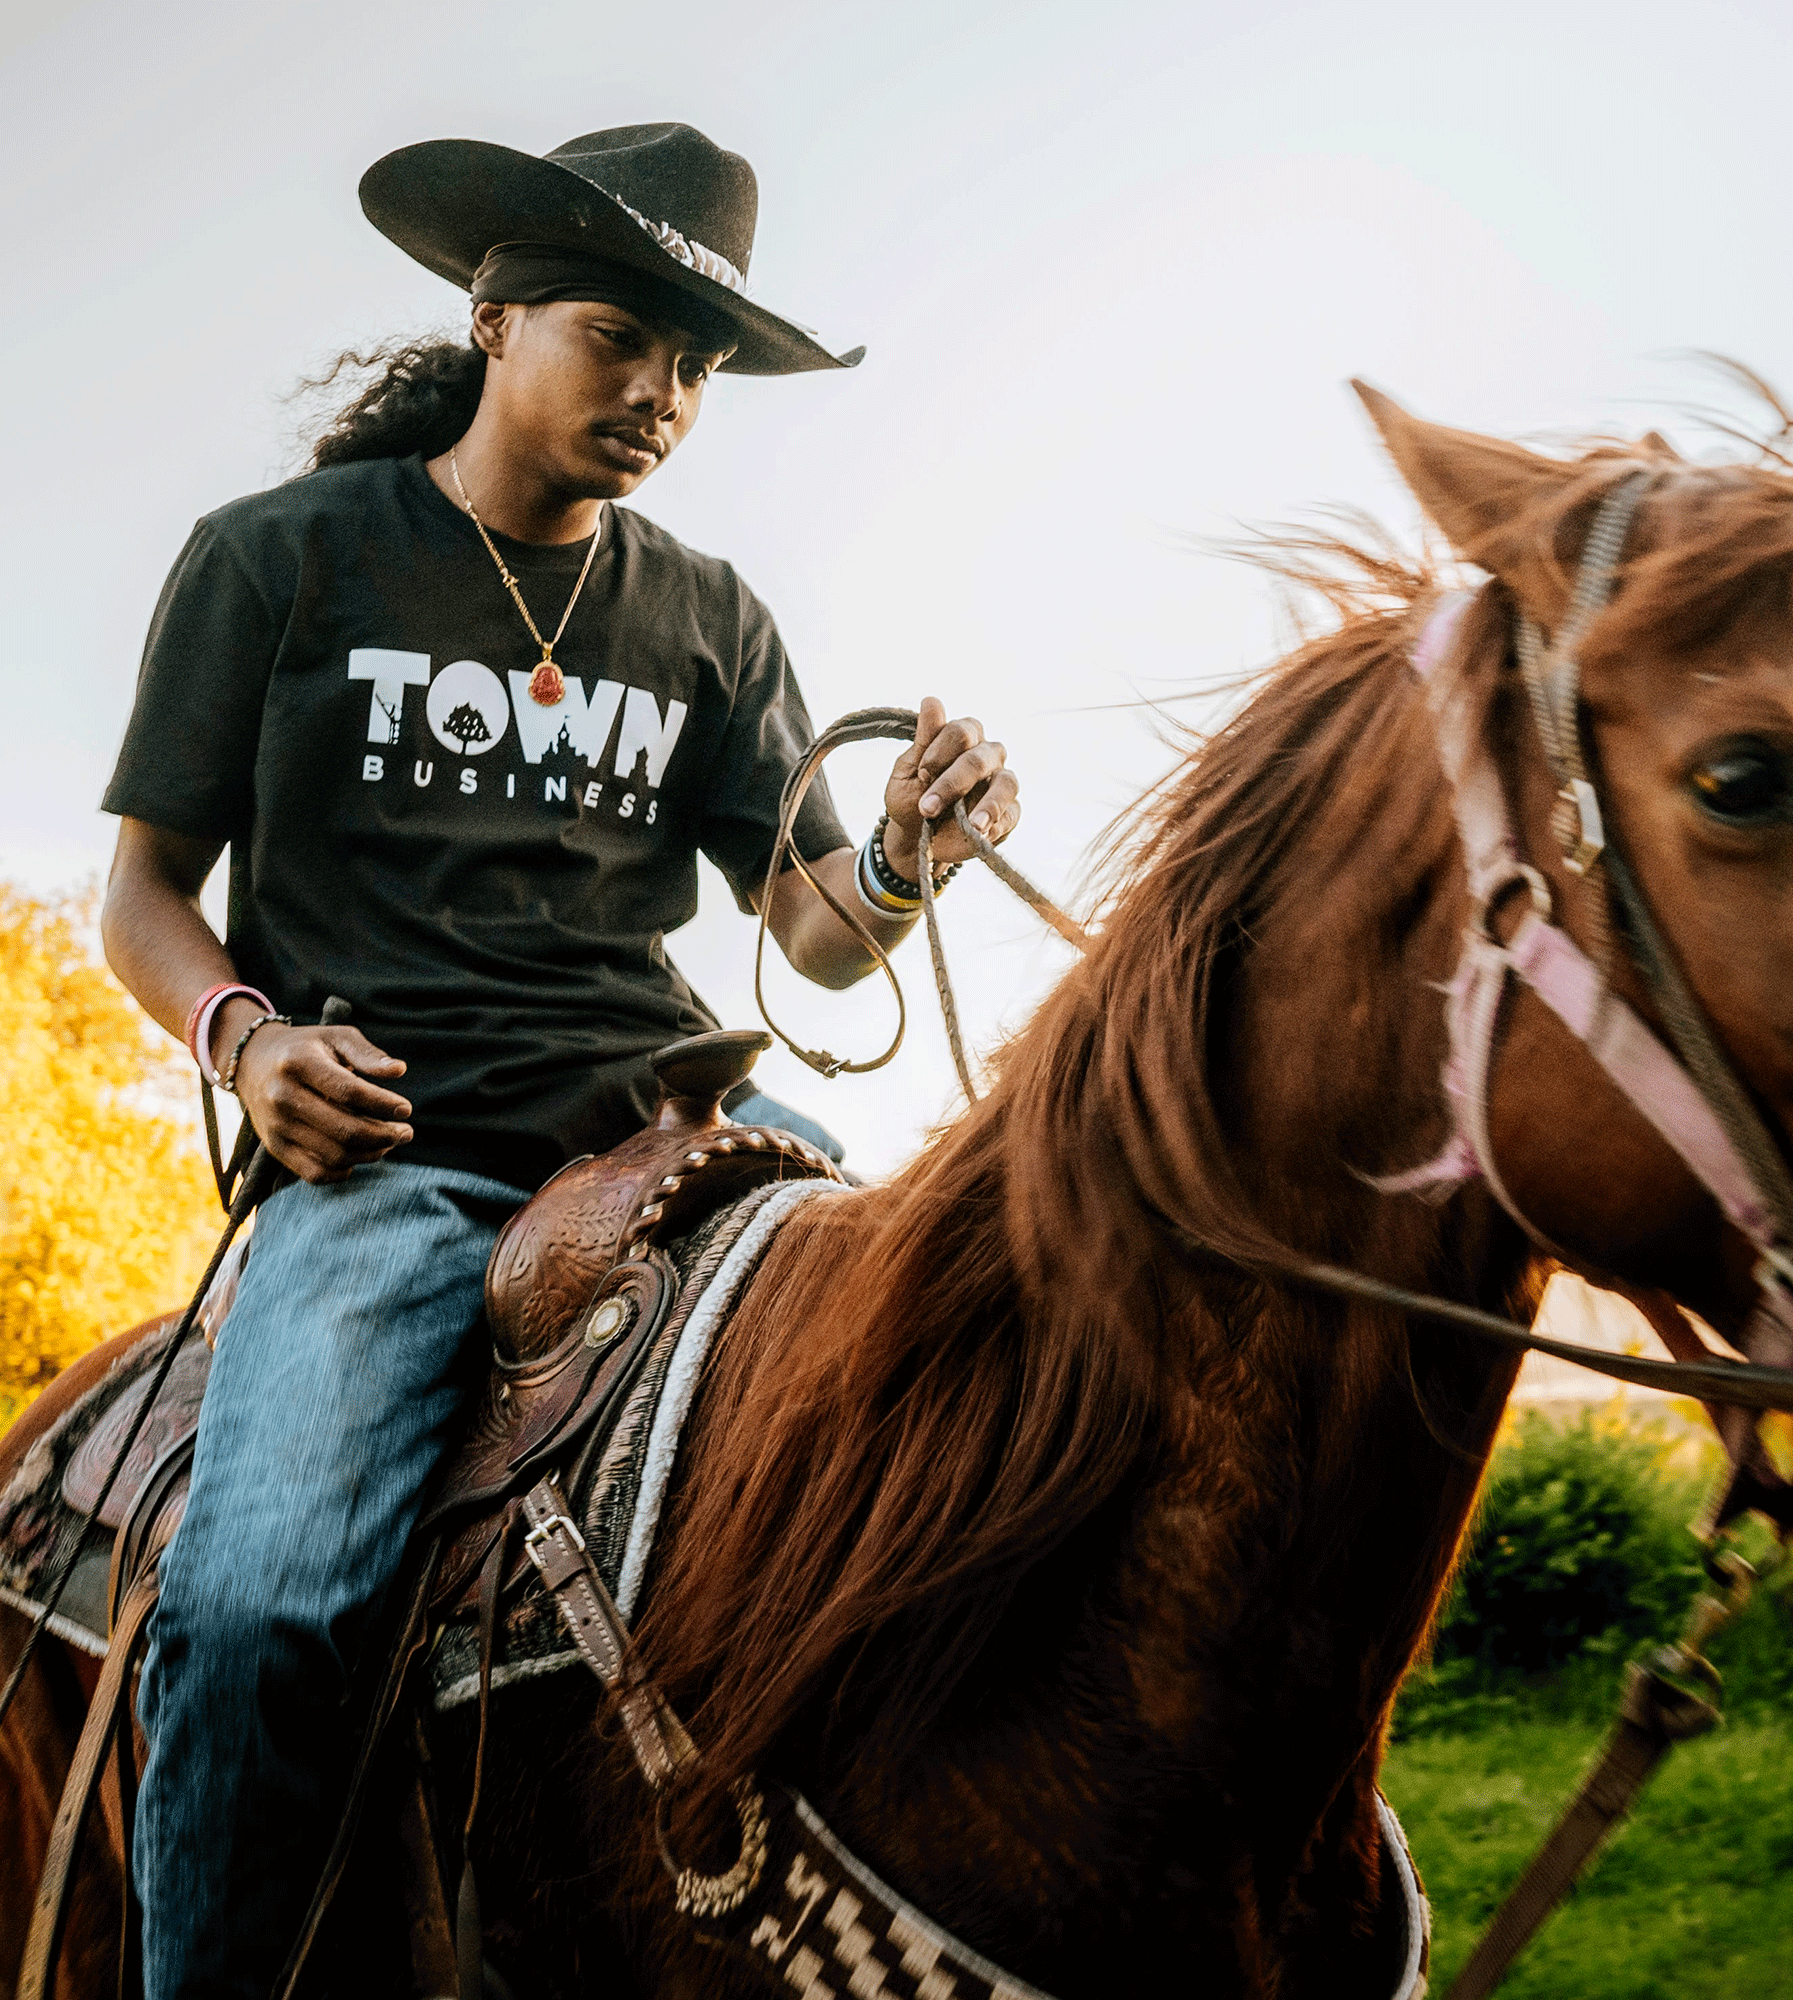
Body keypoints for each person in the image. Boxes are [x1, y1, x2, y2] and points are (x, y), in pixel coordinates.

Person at [97, 121, 1021, 2000]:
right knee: (264, 1609)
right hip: (395, 1166)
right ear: (495, 313)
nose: (667, 392)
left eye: (696, 364)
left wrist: (912, 849)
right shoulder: (280, 561)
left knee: (985, 1397)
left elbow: (814, 926)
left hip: (683, 1127)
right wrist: (247, 1039)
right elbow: (139, 897)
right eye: (626, 336)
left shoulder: (707, 617)